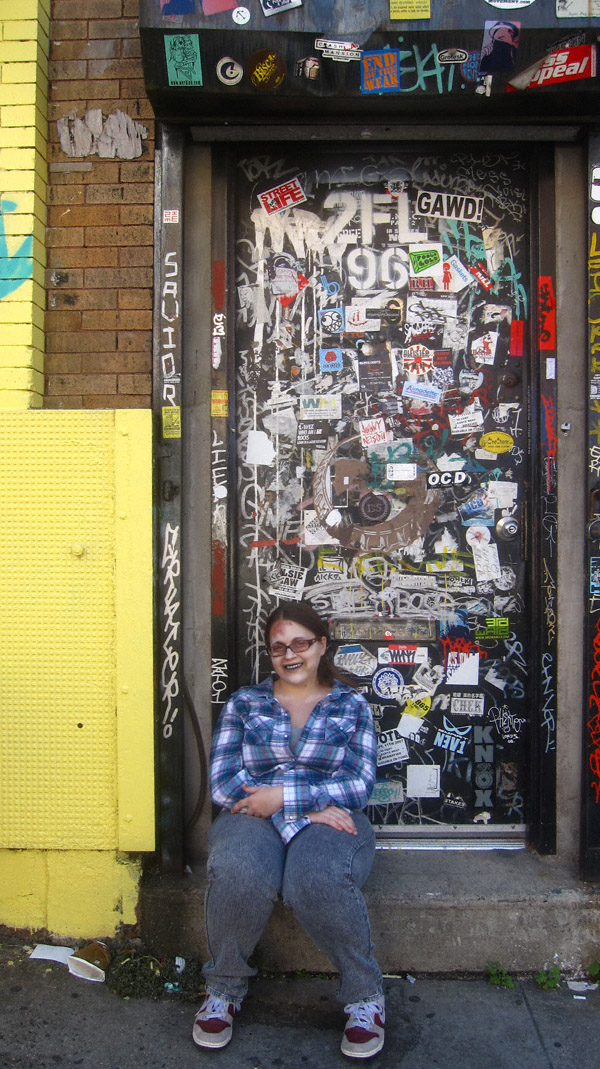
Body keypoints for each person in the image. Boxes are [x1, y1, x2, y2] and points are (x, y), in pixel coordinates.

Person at [194, 600, 385, 1059]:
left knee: (316, 877)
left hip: (331, 819)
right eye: (279, 647)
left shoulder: (351, 705)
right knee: (238, 868)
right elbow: (223, 783)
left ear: (321, 645)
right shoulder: (245, 703)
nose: (290, 654)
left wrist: (283, 800)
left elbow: (358, 786)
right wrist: (304, 809)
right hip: (252, 817)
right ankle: (223, 990)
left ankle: (365, 997)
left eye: (301, 643)